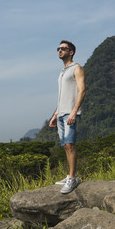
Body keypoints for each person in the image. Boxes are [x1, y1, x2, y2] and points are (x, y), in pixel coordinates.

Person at [49, 40, 86, 194]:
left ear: (71, 52)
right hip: (61, 114)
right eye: (58, 48)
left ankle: (72, 178)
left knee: (70, 144)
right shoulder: (62, 72)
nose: (60, 50)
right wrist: (55, 114)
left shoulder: (76, 68)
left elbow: (82, 90)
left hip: (70, 113)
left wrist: (74, 112)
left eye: (63, 48)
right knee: (65, 145)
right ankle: (71, 175)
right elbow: (62, 96)